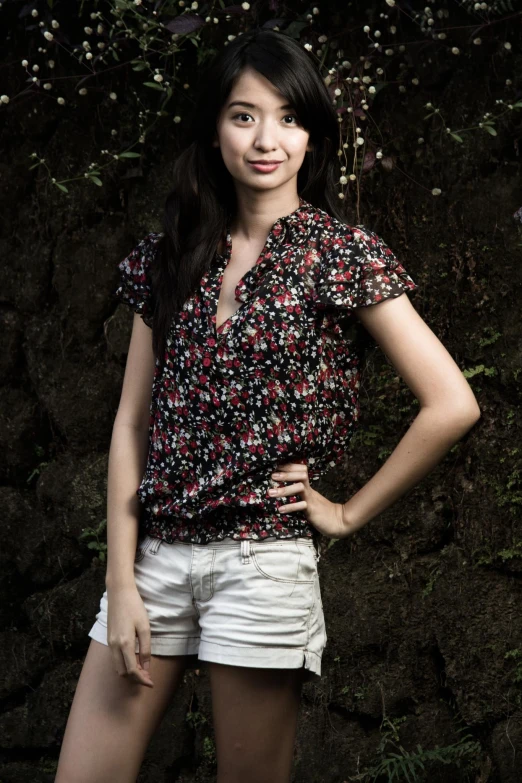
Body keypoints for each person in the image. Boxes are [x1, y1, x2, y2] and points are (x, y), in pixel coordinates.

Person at [55, 27, 481, 783]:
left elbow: (451, 402)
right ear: (215, 129)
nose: (266, 139)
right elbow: (131, 422)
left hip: (261, 564)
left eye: (288, 117)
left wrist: (345, 512)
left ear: (311, 135)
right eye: (244, 115)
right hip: (154, 558)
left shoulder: (341, 253)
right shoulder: (171, 252)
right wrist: (121, 580)